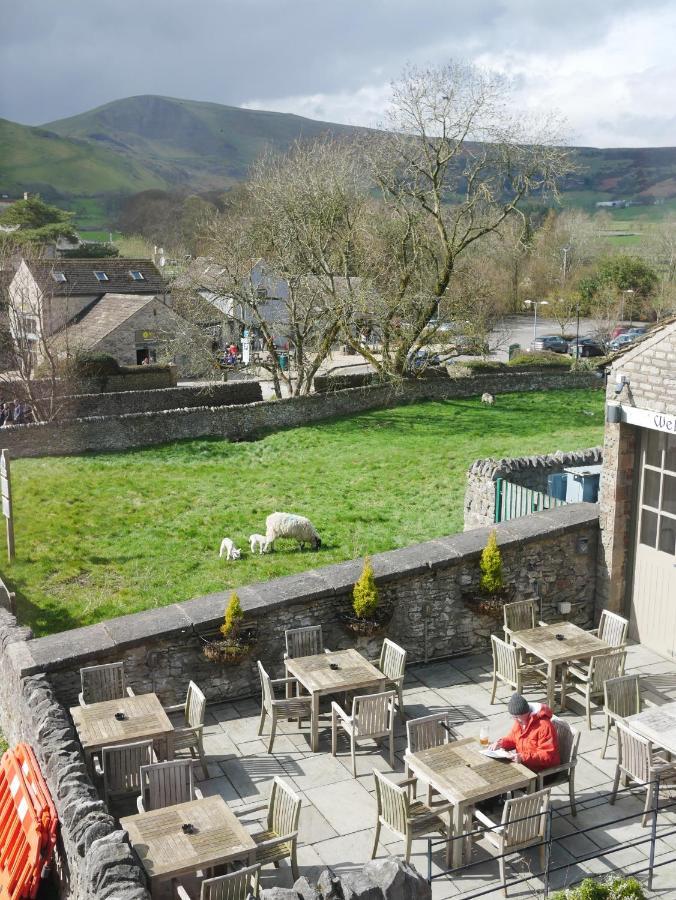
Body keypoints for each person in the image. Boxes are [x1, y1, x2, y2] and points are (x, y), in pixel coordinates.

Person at [490, 693, 560, 772]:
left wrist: (523, 757)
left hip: (544, 771)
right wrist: (501, 743)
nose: (517, 720)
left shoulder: (544, 726)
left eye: (518, 717)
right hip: (525, 766)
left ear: (528, 712)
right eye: (514, 717)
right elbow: (513, 738)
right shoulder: (519, 721)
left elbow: (547, 755)